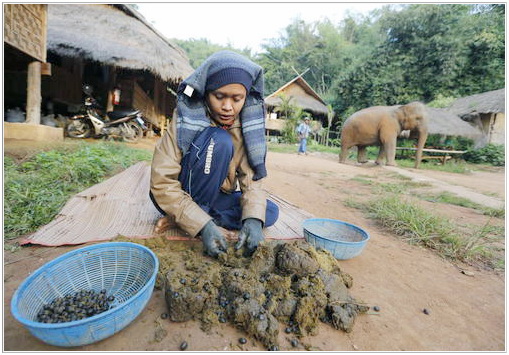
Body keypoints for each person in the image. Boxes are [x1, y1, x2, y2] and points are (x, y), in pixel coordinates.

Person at [150, 50, 279, 258]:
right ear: (206, 92)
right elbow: (162, 182)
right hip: (180, 192)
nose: (228, 107)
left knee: (268, 212)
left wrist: (253, 221)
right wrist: (204, 228)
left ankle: (191, 218)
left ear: (246, 97)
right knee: (219, 140)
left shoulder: (246, 124)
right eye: (219, 97)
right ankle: (198, 219)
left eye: (237, 99)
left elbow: (251, 180)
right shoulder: (186, 117)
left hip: (215, 197)